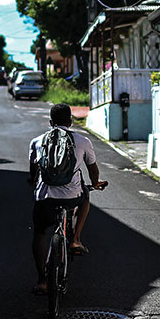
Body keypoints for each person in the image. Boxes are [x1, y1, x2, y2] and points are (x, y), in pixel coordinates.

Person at [27, 103, 106, 295]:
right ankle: (76, 239)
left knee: (39, 232)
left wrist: (33, 183)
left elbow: (33, 172)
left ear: (51, 122)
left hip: (45, 198)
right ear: (70, 122)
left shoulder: (37, 141)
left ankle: (42, 281)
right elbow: (92, 169)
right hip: (72, 196)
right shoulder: (83, 141)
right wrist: (95, 183)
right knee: (85, 197)